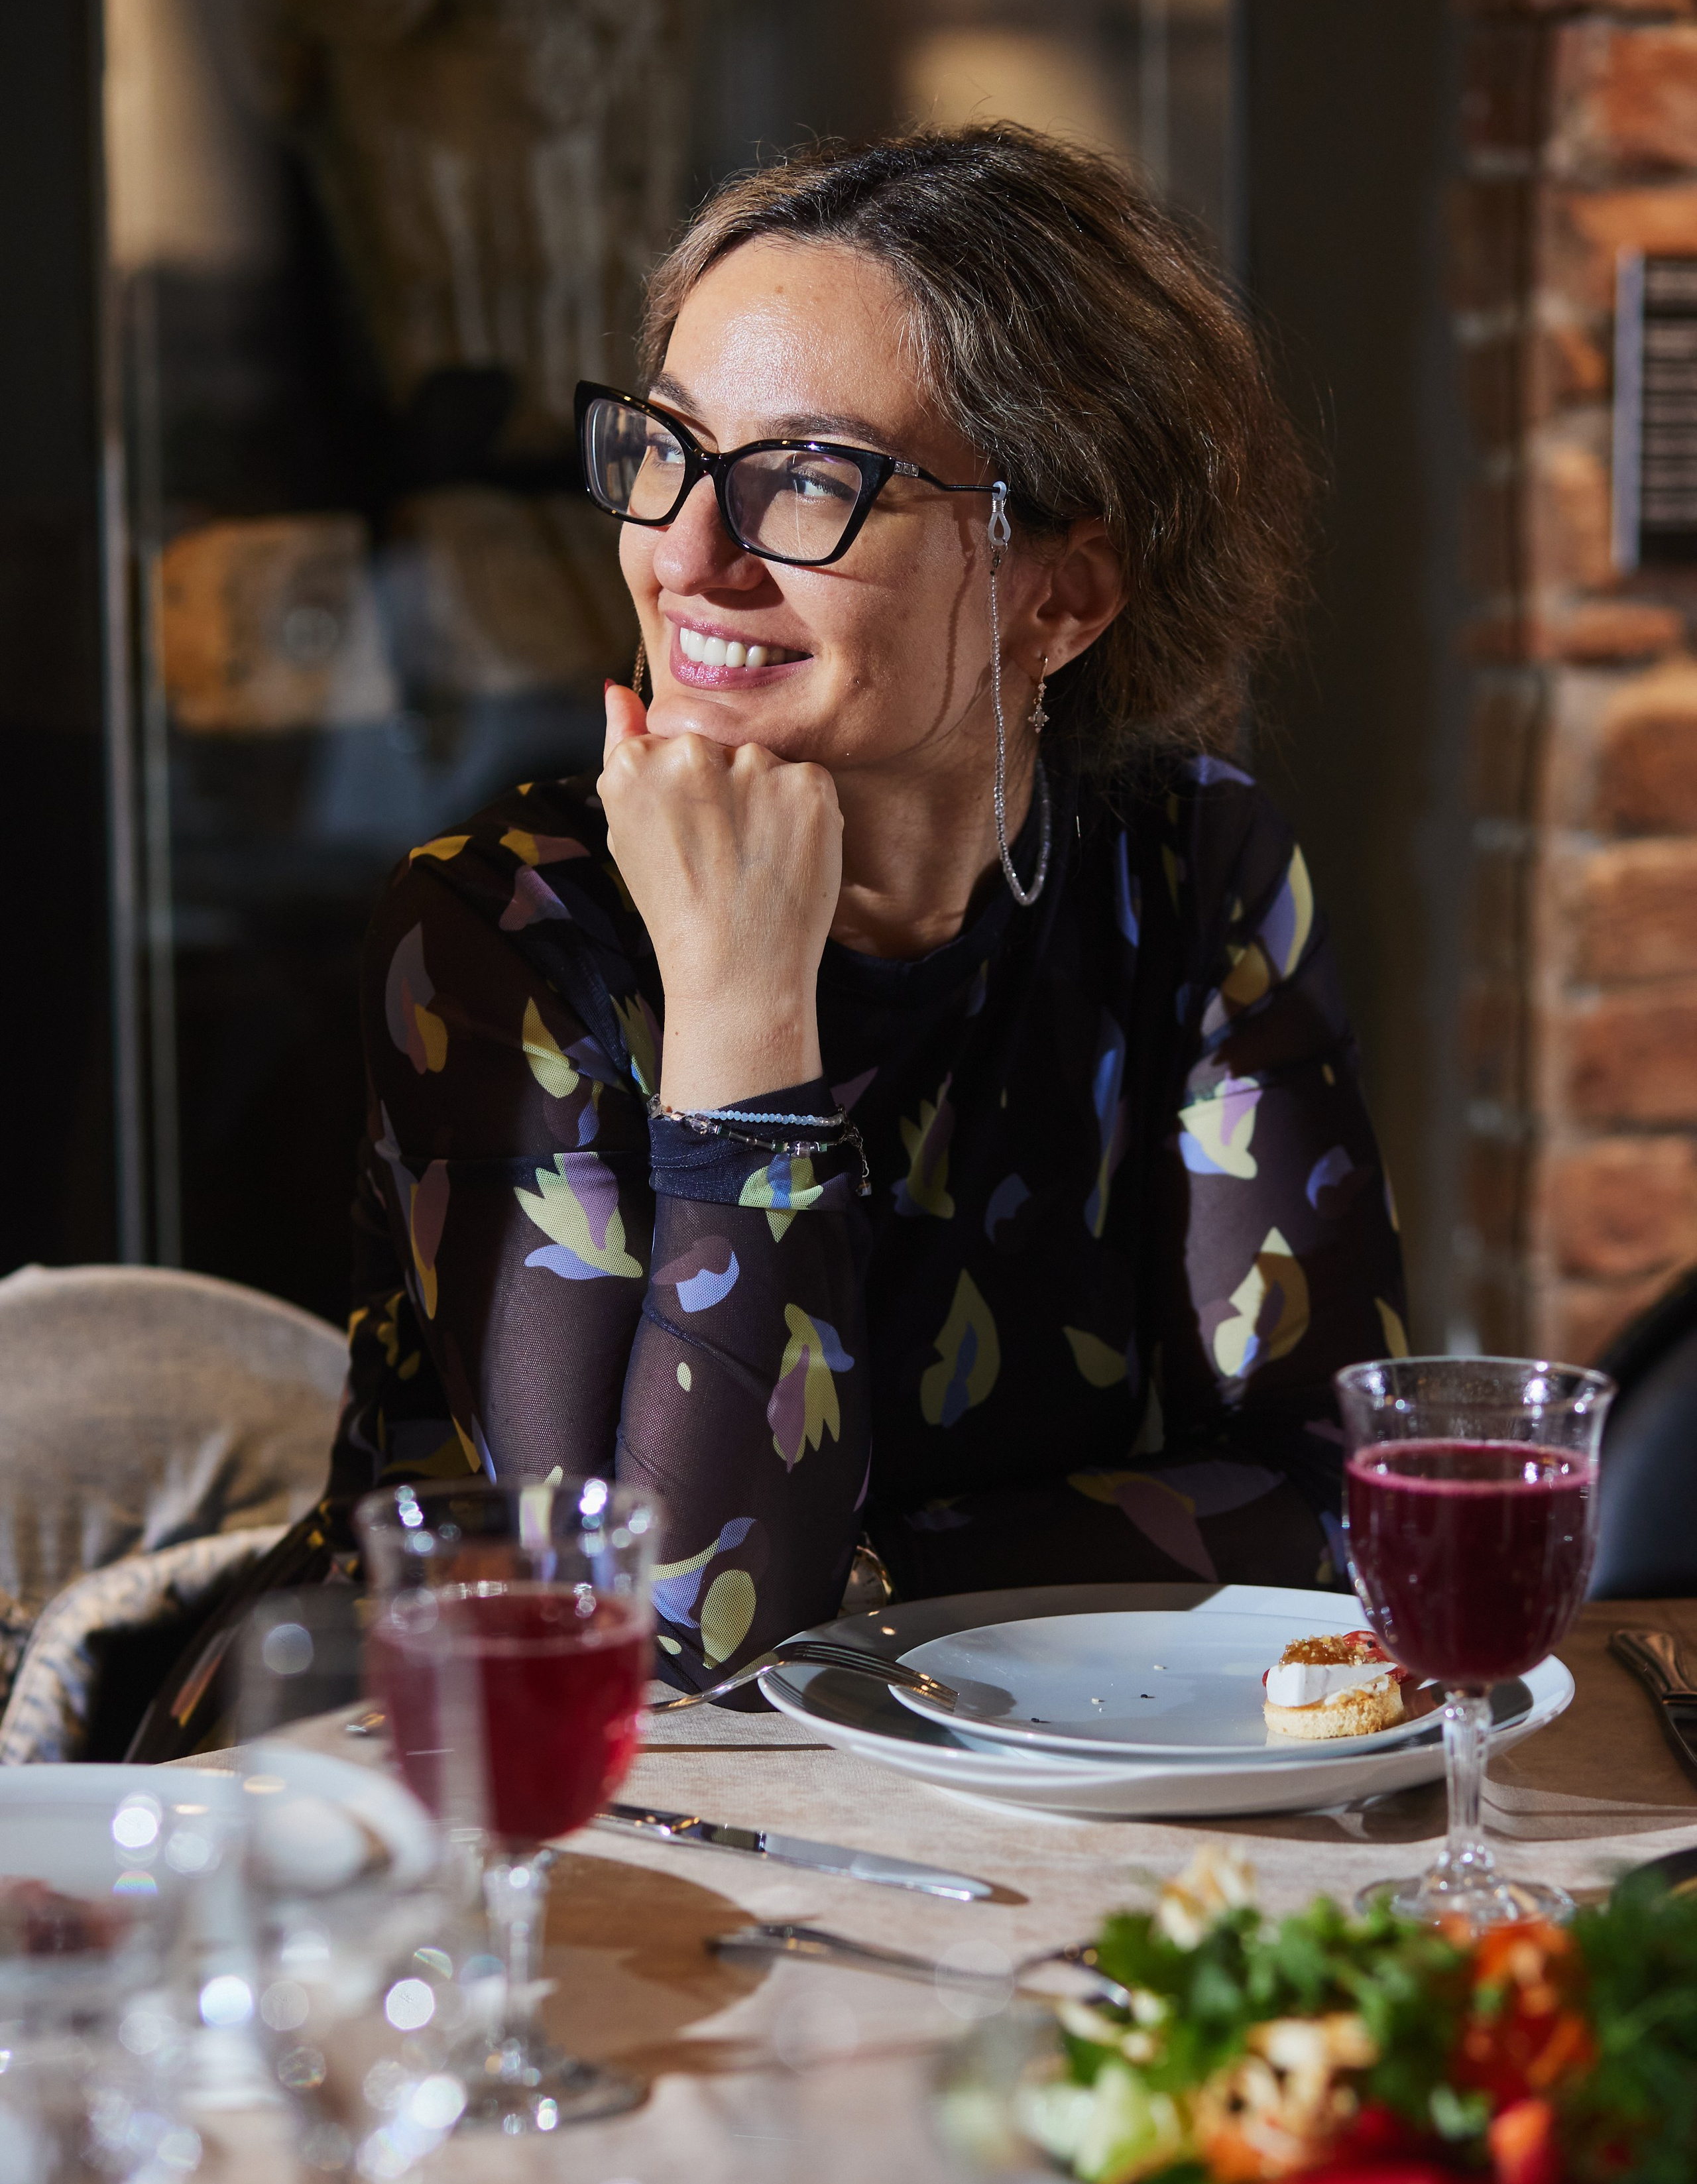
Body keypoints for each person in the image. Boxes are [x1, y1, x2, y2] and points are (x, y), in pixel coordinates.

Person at [155, 124, 1408, 1739]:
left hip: (983, 1794)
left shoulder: (1188, 866)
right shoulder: (506, 927)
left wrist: (863, 1581)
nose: (686, 556)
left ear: (1063, 590)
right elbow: (658, 1650)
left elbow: (1342, 1502)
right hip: (427, 1818)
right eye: (667, 449)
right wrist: (743, 1008)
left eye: (810, 479)